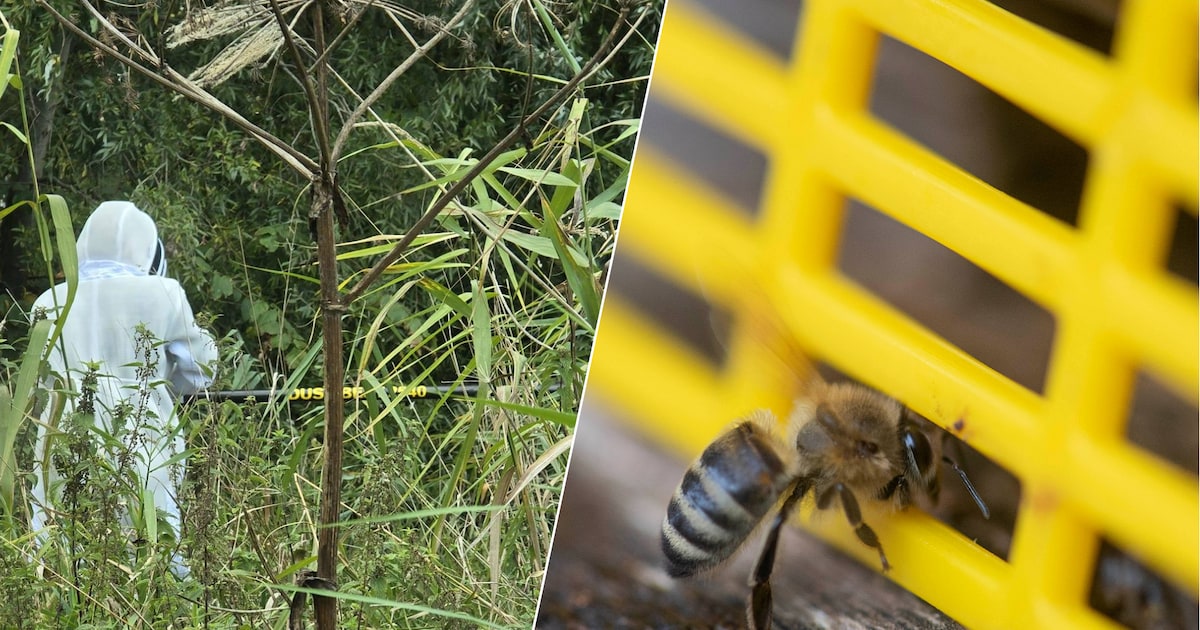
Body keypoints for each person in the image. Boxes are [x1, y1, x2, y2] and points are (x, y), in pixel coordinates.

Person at [29, 201, 217, 576]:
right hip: (144, 438)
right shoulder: (163, 292)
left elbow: (37, 382)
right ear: (146, 246)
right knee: (153, 546)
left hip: (62, 438)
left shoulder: (48, 300)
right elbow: (201, 371)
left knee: (62, 545)